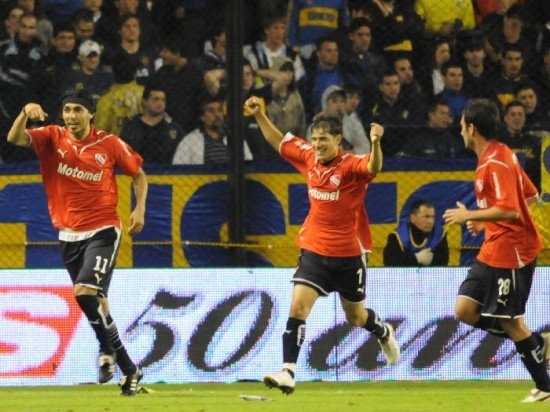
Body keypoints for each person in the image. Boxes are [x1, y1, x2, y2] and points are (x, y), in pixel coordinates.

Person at [244, 95, 400, 395]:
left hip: (349, 255)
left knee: (355, 317)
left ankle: (382, 330)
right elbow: (278, 141)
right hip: (315, 249)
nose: (317, 144)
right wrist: (260, 114)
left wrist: (376, 143)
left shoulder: (351, 166)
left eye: (324, 139)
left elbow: (373, 165)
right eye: (314, 139)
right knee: (298, 307)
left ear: (338, 139)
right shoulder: (307, 157)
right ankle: (288, 371)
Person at [6, 88, 147, 396]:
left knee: (83, 291)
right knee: (98, 305)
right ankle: (126, 366)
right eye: (67, 110)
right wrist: (24, 112)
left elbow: (139, 174)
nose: (71, 116)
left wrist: (139, 207)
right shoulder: (52, 137)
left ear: (90, 114)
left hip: (103, 229)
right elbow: (15, 138)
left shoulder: (109, 143)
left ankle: (112, 355)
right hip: (68, 234)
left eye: (78, 111)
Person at [443, 98, 550, 403]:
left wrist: (470, 216)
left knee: (510, 320)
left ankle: (545, 385)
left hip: (512, 252)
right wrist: (486, 223)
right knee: (464, 310)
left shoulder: (495, 162)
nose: (460, 129)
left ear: (471, 128)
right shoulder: (501, 154)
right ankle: (534, 343)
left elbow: (512, 210)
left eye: (462, 124)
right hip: (494, 247)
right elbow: (529, 196)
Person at [120, 83, 184, 164]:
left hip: (167, 173)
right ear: (145, 102)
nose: (160, 103)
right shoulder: (131, 127)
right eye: (156, 99)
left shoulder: (174, 128)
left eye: (163, 100)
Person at [383, 199, 449, 267]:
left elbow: (442, 264)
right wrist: (416, 258)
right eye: (426, 217)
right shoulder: (397, 236)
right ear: (412, 218)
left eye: (433, 217)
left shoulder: (439, 235)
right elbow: (390, 264)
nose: (431, 221)